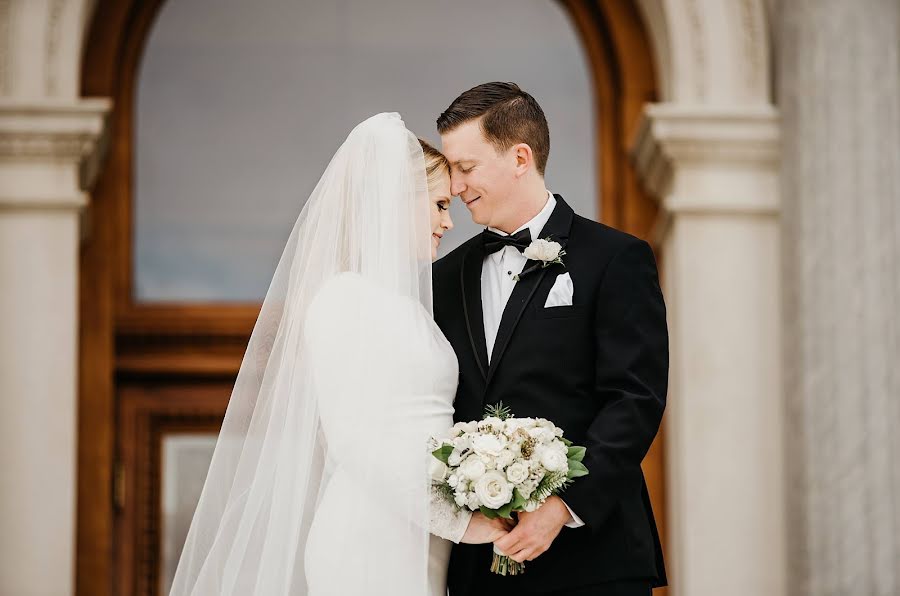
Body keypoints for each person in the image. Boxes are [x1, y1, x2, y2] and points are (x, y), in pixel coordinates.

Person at [169, 113, 507, 596]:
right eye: (437, 205)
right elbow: (357, 441)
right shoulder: (344, 299)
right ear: (392, 204)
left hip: (423, 539)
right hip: (370, 535)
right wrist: (460, 521)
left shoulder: (411, 308)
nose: (448, 221)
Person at [432, 82, 669, 596]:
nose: (454, 185)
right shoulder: (442, 278)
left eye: (466, 167)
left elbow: (635, 398)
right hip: (480, 567)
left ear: (520, 157)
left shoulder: (614, 259)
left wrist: (564, 507)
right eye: (451, 169)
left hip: (595, 560)